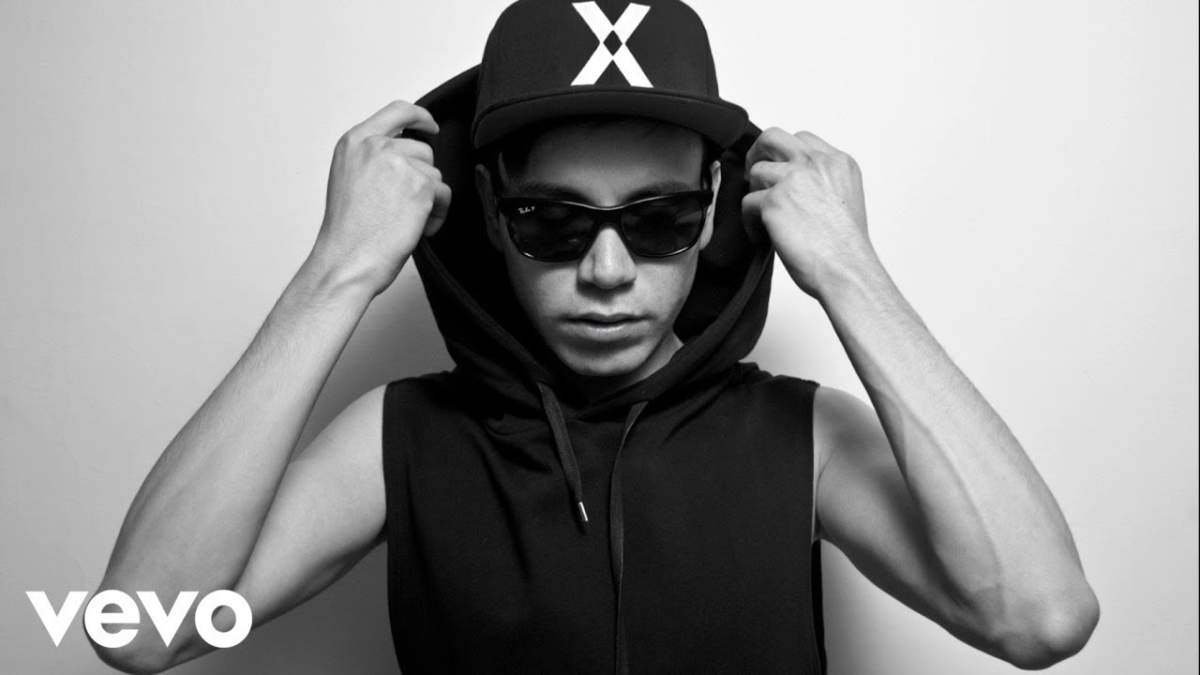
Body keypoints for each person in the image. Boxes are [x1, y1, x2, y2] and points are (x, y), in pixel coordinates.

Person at [91, 1, 1099, 673]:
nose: (608, 272)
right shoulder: (399, 440)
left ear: (714, 209)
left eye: (658, 219)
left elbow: (1041, 617)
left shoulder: (808, 441)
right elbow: (136, 629)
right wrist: (336, 272)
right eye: (553, 222)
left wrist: (853, 274)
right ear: (492, 214)